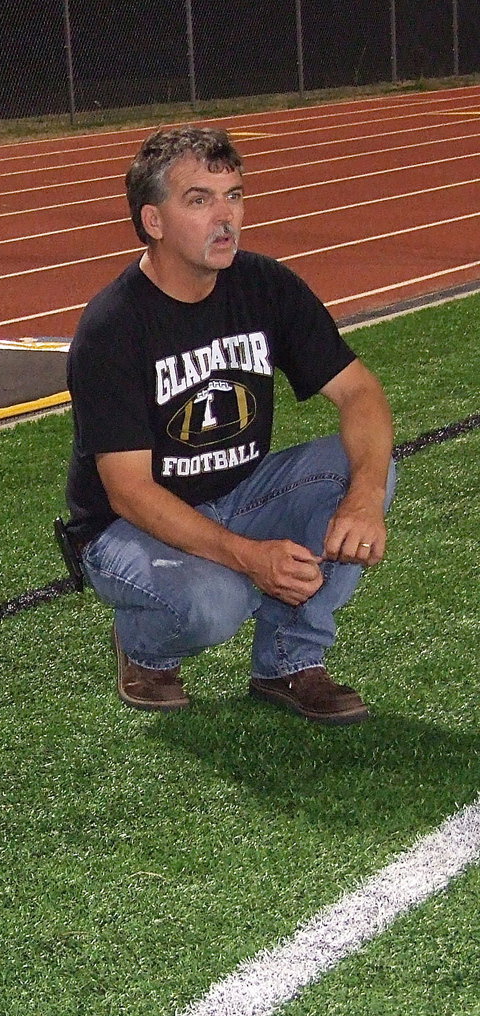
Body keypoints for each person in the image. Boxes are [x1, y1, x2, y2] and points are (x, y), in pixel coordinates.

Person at [62, 126, 396, 723]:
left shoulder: (264, 284)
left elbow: (361, 392)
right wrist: (249, 557)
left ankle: (290, 662)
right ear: (154, 221)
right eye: (200, 200)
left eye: (234, 196)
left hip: (237, 491)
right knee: (220, 599)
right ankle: (142, 647)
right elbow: (129, 491)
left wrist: (365, 497)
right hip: (126, 528)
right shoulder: (113, 326)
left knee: (364, 464)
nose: (226, 218)